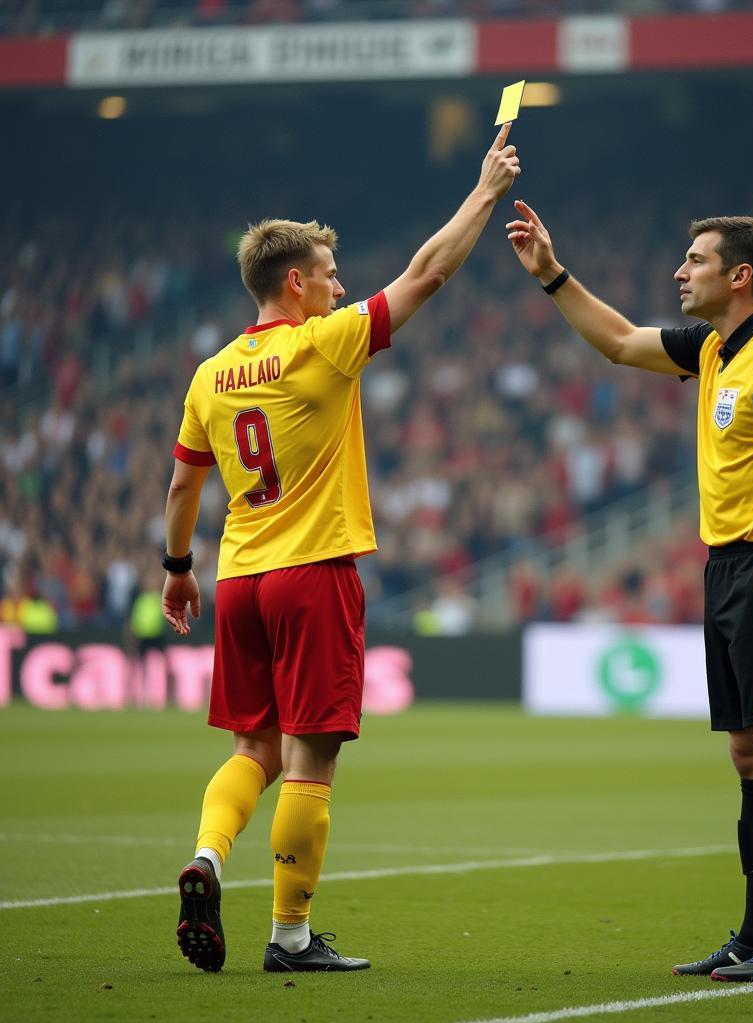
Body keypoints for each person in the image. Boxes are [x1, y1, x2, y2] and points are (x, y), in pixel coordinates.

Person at [162, 123, 521, 974]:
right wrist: (484, 192)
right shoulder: (323, 342)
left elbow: (182, 488)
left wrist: (178, 573)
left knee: (252, 748)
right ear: (295, 282)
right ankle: (289, 936)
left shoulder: (209, 373)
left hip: (239, 577)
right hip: (312, 572)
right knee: (310, 759)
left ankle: (207, 858)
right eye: (330, 275)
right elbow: (428, 273)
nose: (341, 286)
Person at [506, 203, 753, 984]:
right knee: (749, 756)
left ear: (739, 275)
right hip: (727, 568)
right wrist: (552, 274)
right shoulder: (717, 348)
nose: (680, 272)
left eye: (695, 260)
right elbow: (621, 342)